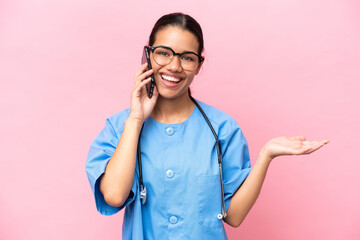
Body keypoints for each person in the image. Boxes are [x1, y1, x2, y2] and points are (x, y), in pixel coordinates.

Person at [85, 12, 328, 240]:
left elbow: (234, 215)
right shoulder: (120, 127)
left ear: (199, 66)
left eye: (187, 58)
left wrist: (266, 155)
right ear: (148, 55)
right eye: (163, 53)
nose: (174, 66)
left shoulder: (222, 128)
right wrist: (136, 120)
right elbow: (115, 196)